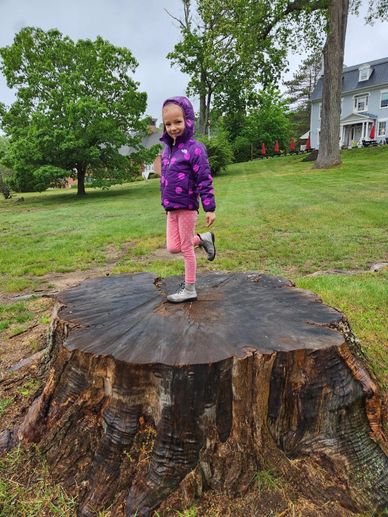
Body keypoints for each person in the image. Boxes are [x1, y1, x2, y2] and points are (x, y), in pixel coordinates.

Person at [160, 96, 216, 303]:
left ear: (188, 121)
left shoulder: (195, 149)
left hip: (187, 207)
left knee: (185, 249)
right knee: (173, 247)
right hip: (171, 208)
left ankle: (190, 288)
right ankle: (203, 239)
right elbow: (164, 180)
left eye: (178, 122)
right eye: (168, 124)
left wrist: (209, 207)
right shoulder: (167, 150)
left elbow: (204, 178)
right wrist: (164, 202)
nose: (173, 127)